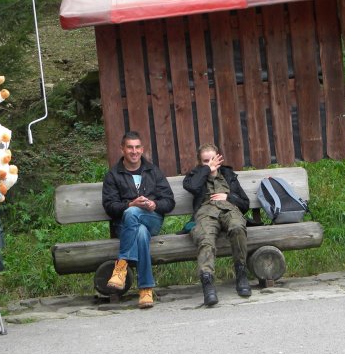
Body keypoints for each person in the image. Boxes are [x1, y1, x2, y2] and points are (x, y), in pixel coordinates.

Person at [101, 131, 175, 308]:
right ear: (122, 149)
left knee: (134, 214)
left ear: (142, 149)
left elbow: (169, 201)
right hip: (124, 226)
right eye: (129, 147)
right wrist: (130, 204)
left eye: (137, 147)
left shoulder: (153, 172)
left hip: (152, 220)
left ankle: (121, 267)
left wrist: (154, 204)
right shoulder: (113, 175)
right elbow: (110, 207)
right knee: (139, 230)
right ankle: (146, 290)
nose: (133, 151)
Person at [183, 143, 251, 306]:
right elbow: (191, 187)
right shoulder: (194, 175)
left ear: (219, 158)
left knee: (237, 227)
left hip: (229, 209)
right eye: (205, 161)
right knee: (205, 238)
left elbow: (245, 203)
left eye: (213, 159)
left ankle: (241, 274)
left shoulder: (228, 174)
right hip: (206, 212)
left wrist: (228, 197)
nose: (210, 163)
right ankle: (208, 284)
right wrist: (207, 169)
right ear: (199, 162)